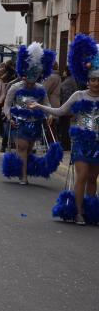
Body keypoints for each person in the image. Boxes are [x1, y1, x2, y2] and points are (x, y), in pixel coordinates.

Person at [29, 34, 99, 225]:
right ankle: (77, 212)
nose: (96, 83)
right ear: (87, 79)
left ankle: (90, 211)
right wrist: (40, 107)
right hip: (81, 143)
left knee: (93, 178)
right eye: (93, 79)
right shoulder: (78, 95)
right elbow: (60, 111)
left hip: (97, 144)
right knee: (82, 176)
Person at [2, 43, 62, 185]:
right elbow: (7, 105)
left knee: (29, 149)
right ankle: (23, 176)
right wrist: (9, 117)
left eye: (36, 74)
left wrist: (50, 115)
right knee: (22, 148)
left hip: (35, 123)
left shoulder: (41, 89)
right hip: (19, 122)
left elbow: (46, 104)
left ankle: (23, 169)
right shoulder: (15, 87)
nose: (32, 77)